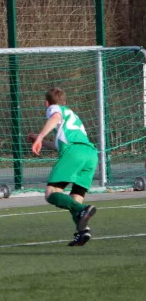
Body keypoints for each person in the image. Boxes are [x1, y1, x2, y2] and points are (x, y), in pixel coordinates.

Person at [28, 87, 98, 246]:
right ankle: (83, 232)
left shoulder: (55, 109)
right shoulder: (73, 116)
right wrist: (41, 142)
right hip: (91, 154)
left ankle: (82, 211)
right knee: (75, 199)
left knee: (51, 193)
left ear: (47, 103)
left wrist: (39, 137)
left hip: (74, 152)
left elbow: (55, 116)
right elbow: (60, 145)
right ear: (65, 101)